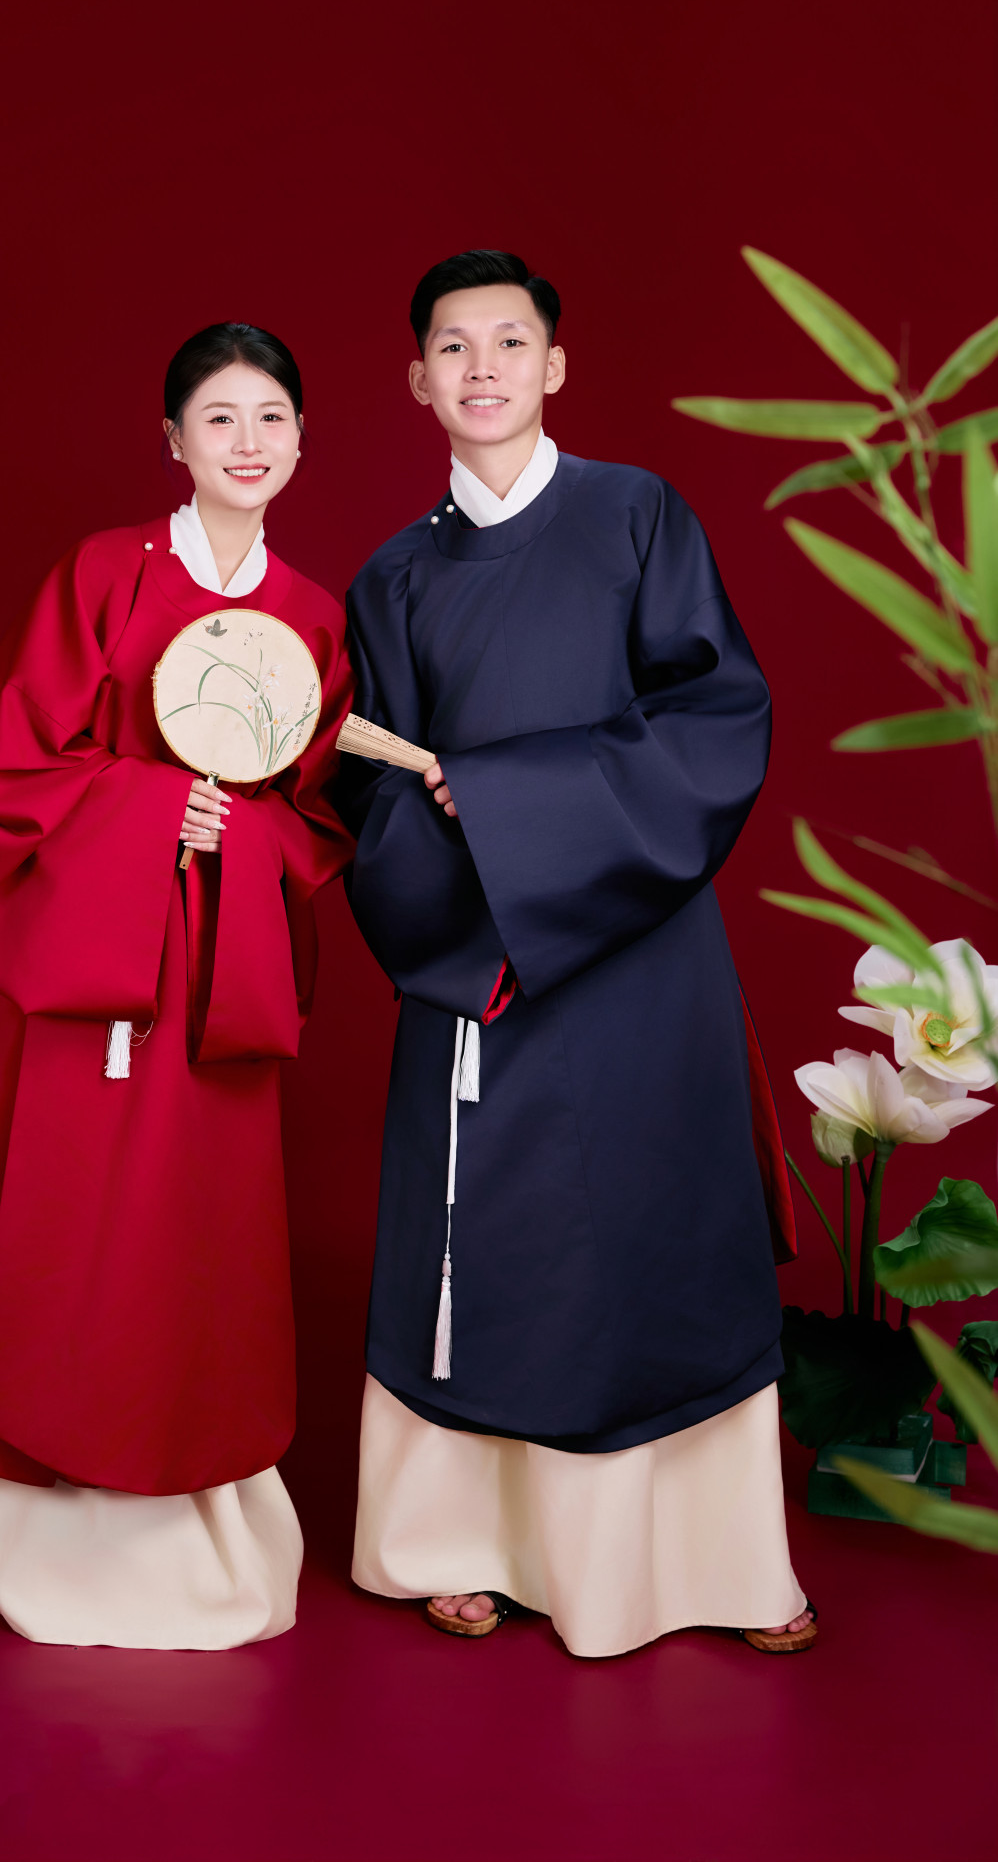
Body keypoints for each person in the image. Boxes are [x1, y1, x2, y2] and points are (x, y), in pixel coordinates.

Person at [337, 249, 816, 1658]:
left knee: (658, 1226)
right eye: (452, 346)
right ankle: (456, 1539)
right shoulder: (392, 577)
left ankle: (718, 1566)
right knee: (490, 1248)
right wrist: (473, 887)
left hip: (644, 953)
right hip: (475, 961)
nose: (480, 368)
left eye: (509, 341)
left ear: (553, 366)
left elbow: (719, 715)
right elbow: (367, 793)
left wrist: (509, 803)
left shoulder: (637, 515)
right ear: (415, 380)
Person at [0, 323, 354, 1650]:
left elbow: (317, 815)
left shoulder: (313, 615)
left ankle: (198, 1525)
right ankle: (43, 1530)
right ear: (173, 440)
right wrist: (156, 812)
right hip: (84, 958)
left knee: (195, 1235)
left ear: (302, 440)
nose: (246, 443)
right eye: (218, 418)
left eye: (270, 417)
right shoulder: (103, 575)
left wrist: (239, 836)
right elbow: (7, 765)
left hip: (213, 972)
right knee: (66, 1220)